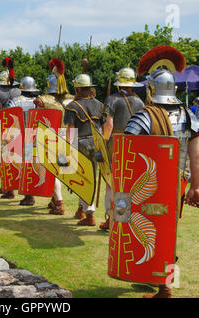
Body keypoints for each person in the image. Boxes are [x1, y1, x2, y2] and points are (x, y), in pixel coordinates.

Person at [124, 45, 199, 298]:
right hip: (176, 185)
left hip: (147, 189)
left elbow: (127, 151)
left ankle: (160, 283)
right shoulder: (189, 117)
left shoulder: (144, 116)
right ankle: (164, 285)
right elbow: (196, 157)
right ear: (174, 90)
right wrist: (196, 187)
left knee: (147, 229)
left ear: (151, 89)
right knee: (169, 235)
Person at [100, 66, 144, 231]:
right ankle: (126, 217)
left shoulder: (112, 99)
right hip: (135, 144)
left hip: (117, 143)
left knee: (111, 182)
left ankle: (111, 218)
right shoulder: (140, 102)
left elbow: (109, 124)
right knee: (129, 183)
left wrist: (104, 142)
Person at [64, 74, 105, 226]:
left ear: (78, 88)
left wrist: (67, 149)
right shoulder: (100, 105)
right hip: (96, 143)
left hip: (80, 143)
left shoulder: (72, 106)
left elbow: (71, 130)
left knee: (83, 177)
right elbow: (105, 125)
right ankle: (81, 208)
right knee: (90, 176)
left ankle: (89, 214)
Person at [35, 58, 74, 214]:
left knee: (51, 170)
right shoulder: (73, 99)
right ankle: (54, 198)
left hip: (51, 137)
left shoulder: (43, 100)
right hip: (70, 136)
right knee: (60, 169)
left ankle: (59, 202)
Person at [0, 58, 21, 199]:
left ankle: (8, 187)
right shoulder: (18, 92)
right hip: (17, 127)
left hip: (1, 127)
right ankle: (8, 185)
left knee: (4, 157)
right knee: (16, 157)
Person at [7, 76, 40, 205]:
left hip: (21, 135)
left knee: (24, 166)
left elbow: (9, 118)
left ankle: (29, 195)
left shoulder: (15, 101)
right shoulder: (39, 100)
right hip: (36, 135)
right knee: (32, 165)